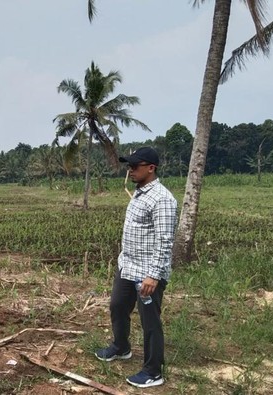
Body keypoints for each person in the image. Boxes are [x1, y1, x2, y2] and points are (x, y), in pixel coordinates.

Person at [95, 147, 177, 388]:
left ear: (151, 168)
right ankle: (121, 347)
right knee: (117, 306)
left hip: (147, 273)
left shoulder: (162, 198)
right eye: (128, 166)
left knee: (149, 321)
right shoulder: (140, 193)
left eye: (135, 166)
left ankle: (153, 371)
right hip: (127, 266)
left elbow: (165, 240)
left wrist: (153, 275)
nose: (129, 170)